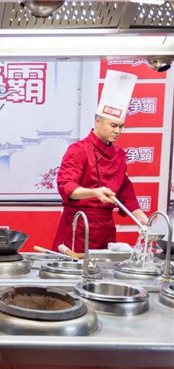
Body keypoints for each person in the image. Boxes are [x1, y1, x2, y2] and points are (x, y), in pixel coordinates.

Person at [52, 70, 149, 252]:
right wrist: (94, 193)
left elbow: (125, 190)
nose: (117, 131)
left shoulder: (119, 154)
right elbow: (66, 186)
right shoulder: (78, 150)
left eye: (121, 127)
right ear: (98, 121)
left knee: (105, 268)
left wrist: (140, 217)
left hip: (106, 228)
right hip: (79, 226)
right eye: (113, 125)